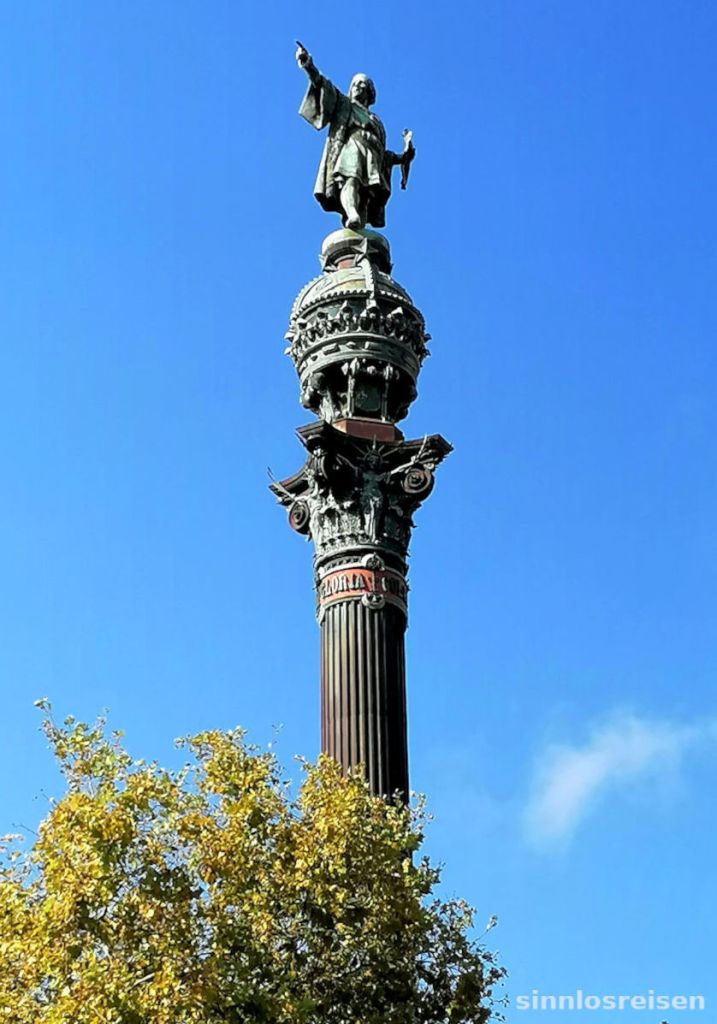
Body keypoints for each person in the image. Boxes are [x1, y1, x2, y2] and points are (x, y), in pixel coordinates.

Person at [296, 42, 415, 230]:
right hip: (352, 146)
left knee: (366, 194)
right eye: (355, 84)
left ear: (370, 93)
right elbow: (322, 85)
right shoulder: (344, 104)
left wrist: (403, 157)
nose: (359, 86)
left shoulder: (376, 121)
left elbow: (384, 155)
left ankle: (358, 220)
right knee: (350, 178)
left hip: (372, 156)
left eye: (363, 84)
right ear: (350, 89)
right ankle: (352, 214)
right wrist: (309, 67)